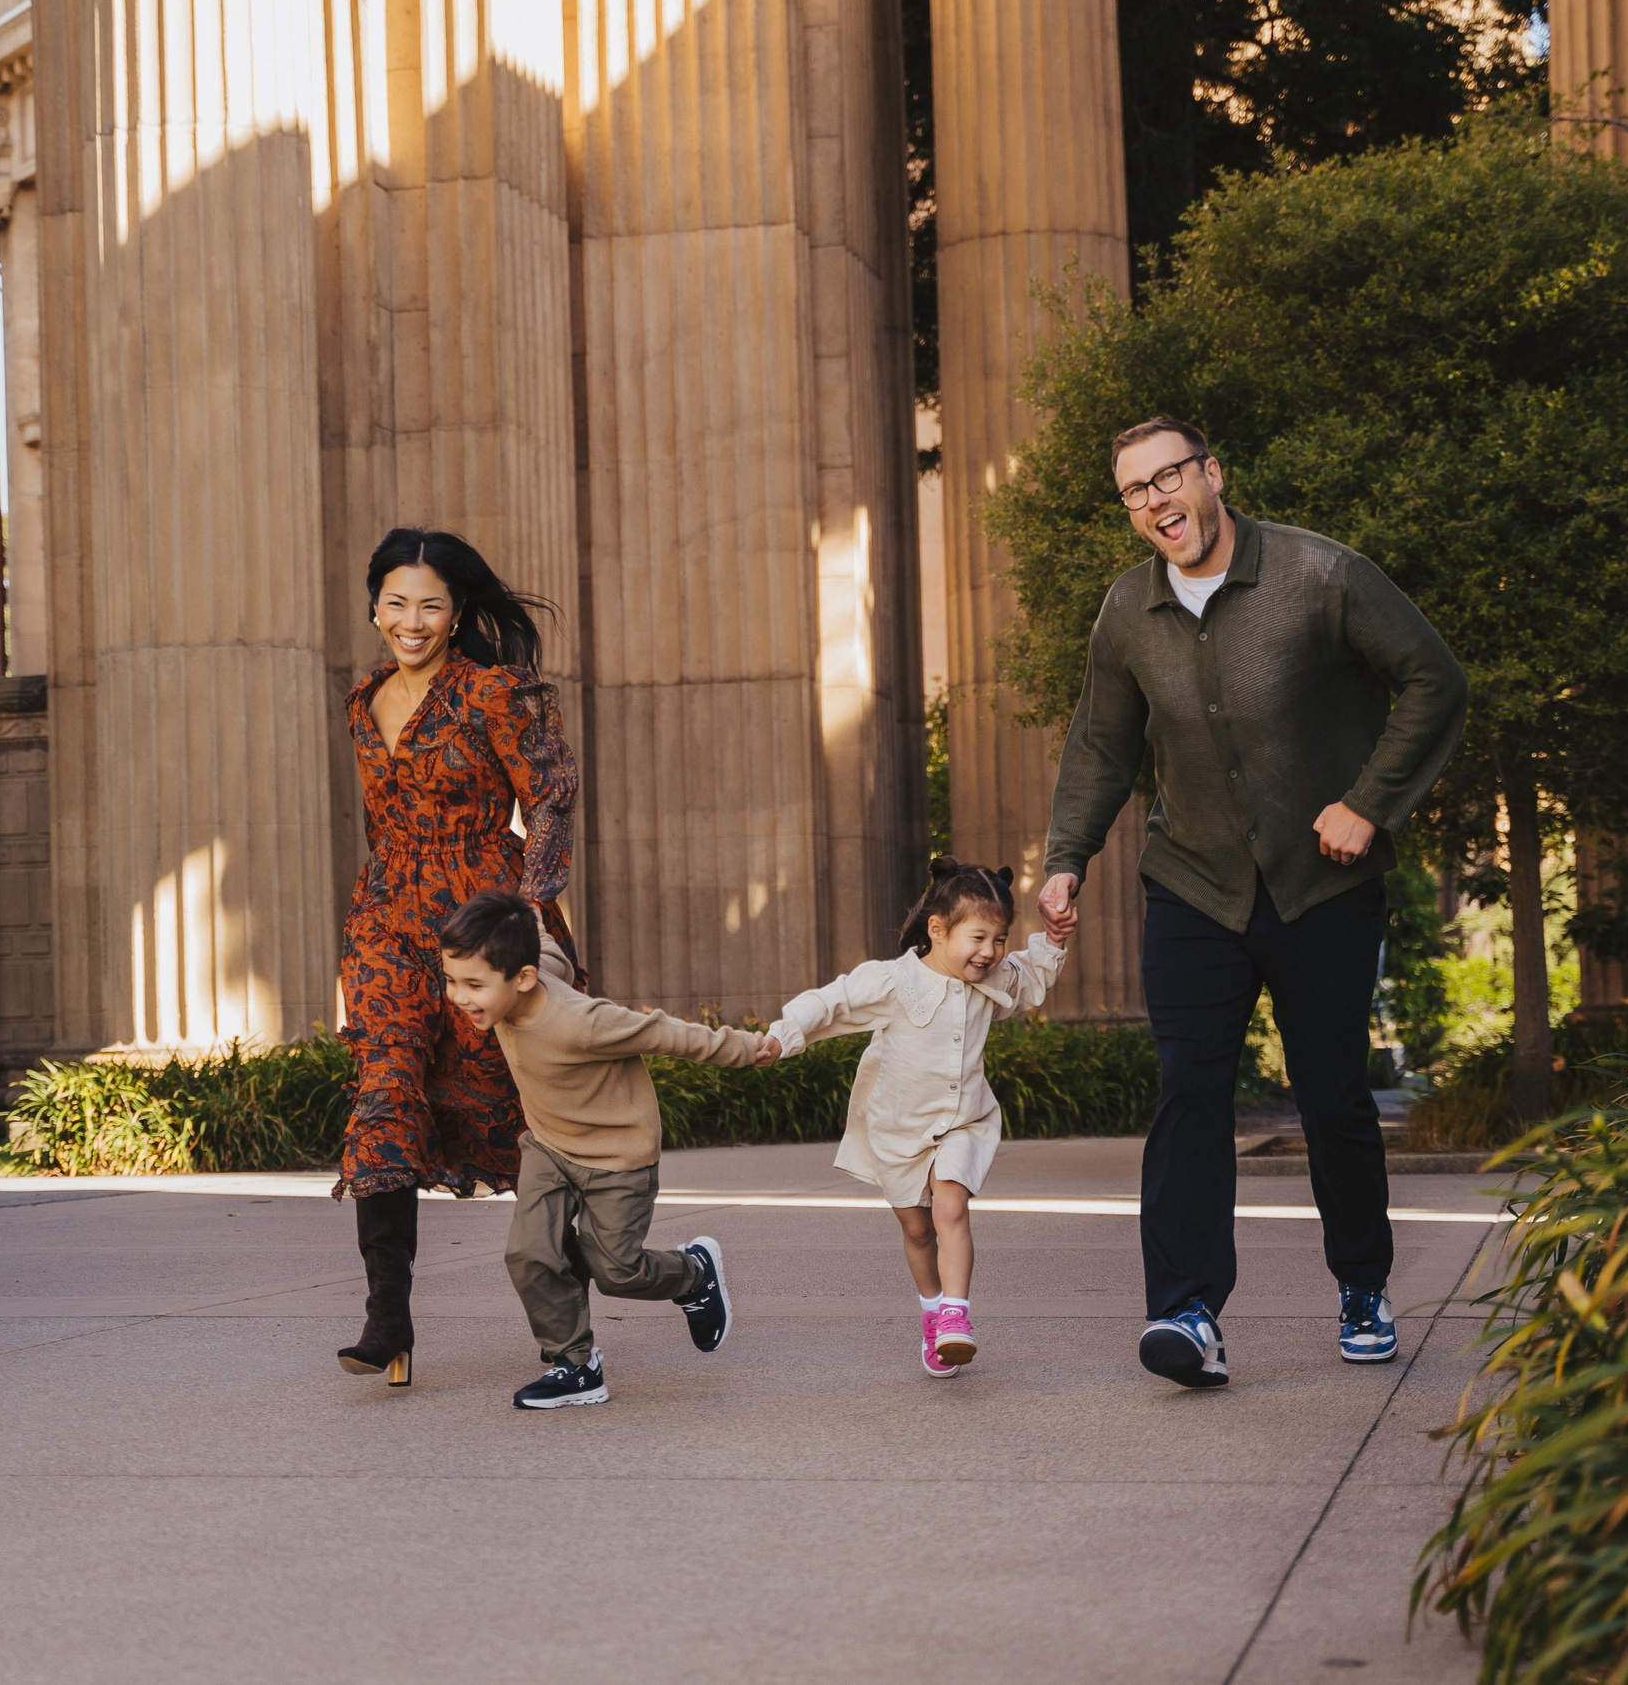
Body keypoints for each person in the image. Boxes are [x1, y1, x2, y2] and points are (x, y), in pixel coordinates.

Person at [1040, 417, 1467, 1389]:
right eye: (1134, 492)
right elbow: (1103, 746)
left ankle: (1362, 1284)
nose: (1155, 502)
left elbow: (1431, 681)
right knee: (1188, 1089)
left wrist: (1368, 802)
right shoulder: (1126, 612)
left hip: (1322, 887)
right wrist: (1067, 856)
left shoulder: (1322, 577)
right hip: (1192, 885)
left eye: (1168, 478)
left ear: (1211, 475)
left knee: (1332, 1097)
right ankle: (1185, 1312)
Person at [334, 528, 583, 1389]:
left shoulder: (494, 693)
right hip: (386, 920)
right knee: (383, 1088)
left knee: (514, 1115)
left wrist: (529, 911)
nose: (412, 619)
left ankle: (568, 1325)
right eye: (396, 602)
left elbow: (549, 797)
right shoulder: (362, 702)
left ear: (457, 612)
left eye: (430, 604)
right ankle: (386, 1316)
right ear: (374, 607)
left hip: (481, 918)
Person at [436, 890, 779, 1409]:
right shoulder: (526, 974)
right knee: (530, 1252)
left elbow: (665, 1033)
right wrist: (534, 917)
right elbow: (551, 950)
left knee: (616, 1271)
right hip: (549, 1147)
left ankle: (694, 1273)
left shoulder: (584, 1021)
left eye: (474, 985)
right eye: (452, 981)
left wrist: (747, 1049)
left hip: (618, 1157)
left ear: (523, 979)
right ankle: (575, 1366)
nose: (459, 997)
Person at [766, 859, 1070, 1377]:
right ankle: (932, 1308)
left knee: (950, 1206)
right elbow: (833, 1002)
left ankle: (956, 1315)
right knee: (918, 1230)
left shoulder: (993, 978)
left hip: (963, 1120)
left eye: (998, 940)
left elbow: (1030, 980)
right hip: (899, 1128)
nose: (990, 952)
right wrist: (780, 1036)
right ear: (937, 928)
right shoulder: (893, 980)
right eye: (978, 938)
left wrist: (1054, 940)